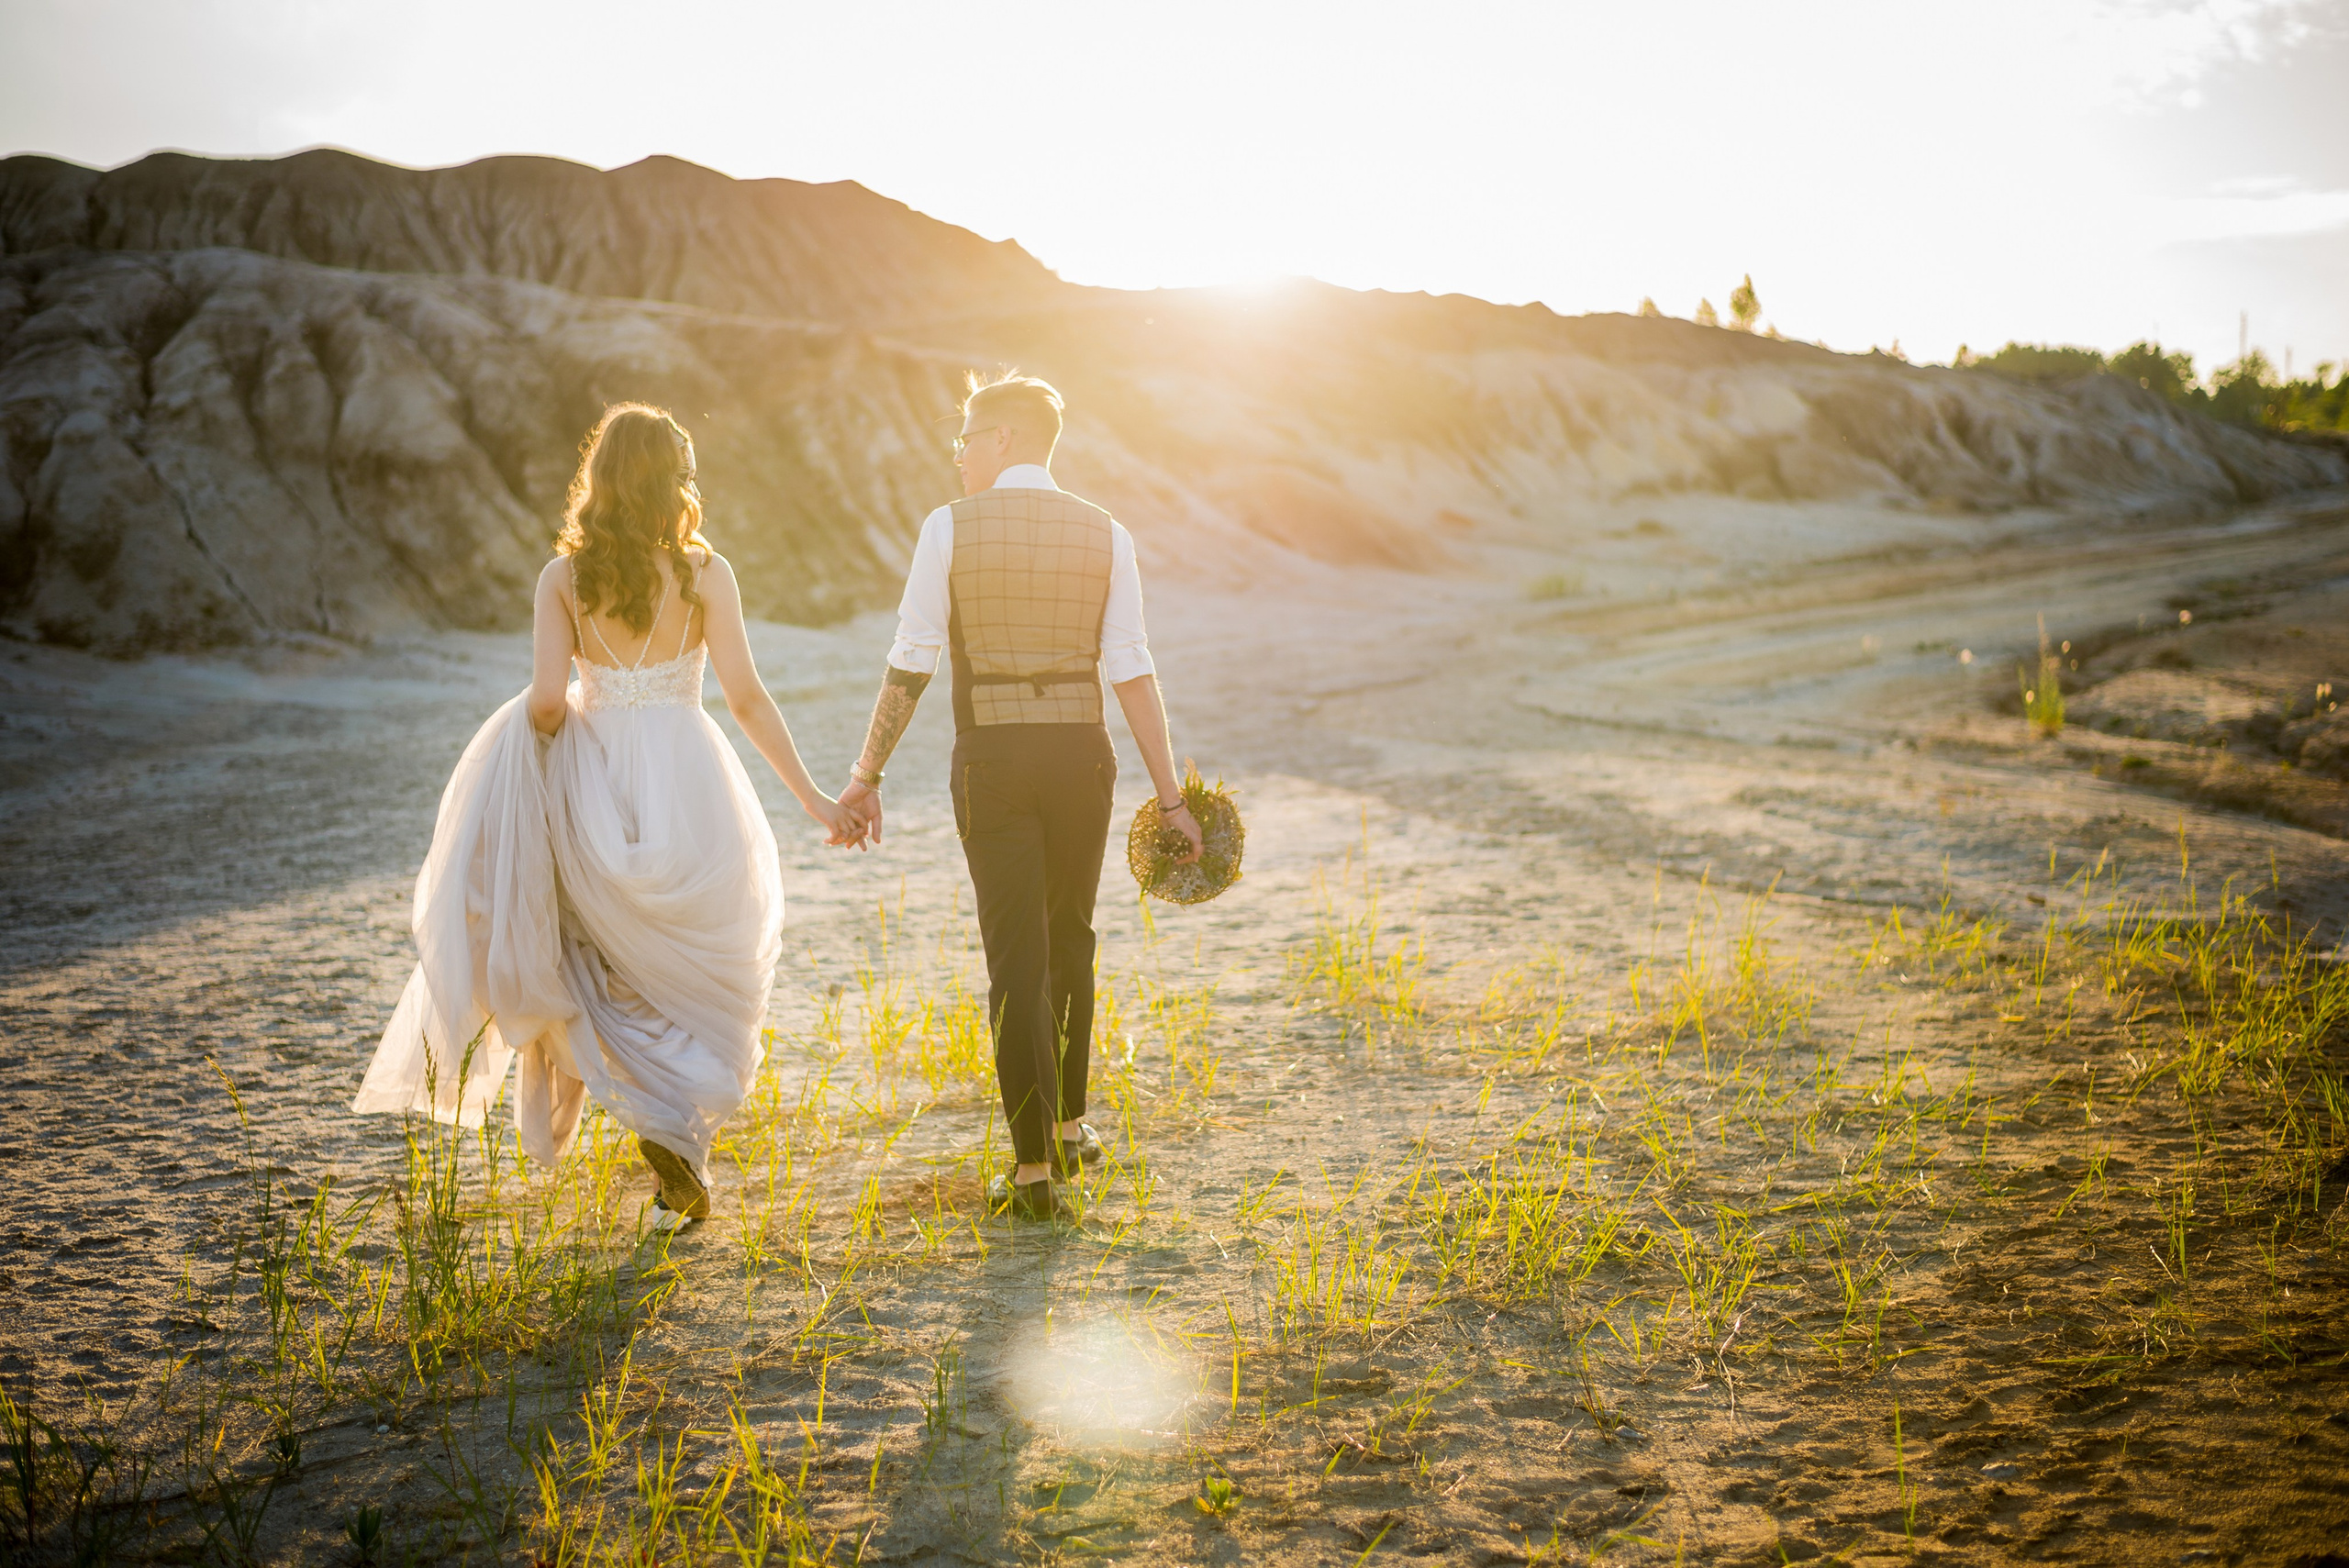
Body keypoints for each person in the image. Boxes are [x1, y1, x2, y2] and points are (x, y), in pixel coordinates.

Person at [353, 404, 863, 1229]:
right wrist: (815, 799)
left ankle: (666, 1142)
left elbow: (550, 702)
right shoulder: (707, 573)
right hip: (692, 779)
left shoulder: (564, 578)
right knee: (697, 968)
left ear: (599, 480)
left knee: (600, 965)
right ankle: (678, 1145)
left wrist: (535, 752)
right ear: (675, 479)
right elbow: (745, 696)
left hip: (596, 785)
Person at [837, 372, 1200, 1223]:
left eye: (964, 437)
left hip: (993, 758)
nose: (957, 455)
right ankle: (1072, 1127)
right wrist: (1171, 795)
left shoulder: (947, 527)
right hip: (1083, 756)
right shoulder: (1108, 532)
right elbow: (1132, 667)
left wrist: (866, 775)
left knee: (1015, 959)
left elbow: (913, 656)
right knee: (1071, 935)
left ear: (1002, 439)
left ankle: (1033, 1171)